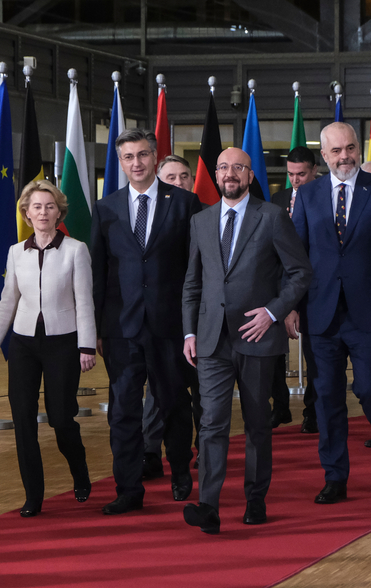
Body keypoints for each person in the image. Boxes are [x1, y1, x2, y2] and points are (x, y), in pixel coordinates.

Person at [181, 147, 311, 534]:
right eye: (223, 167)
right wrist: (189, 331)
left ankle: (256, 499)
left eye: (238, 167)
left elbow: (300, 273)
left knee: (257, 424)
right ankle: (209, 505)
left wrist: (272, 312)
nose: (230, 173)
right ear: (217, 176)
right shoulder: (201, 221)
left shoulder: (271, 217)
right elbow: (193, 282)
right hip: (211, 341)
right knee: (212, 424)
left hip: (257, 337)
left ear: (250, 176)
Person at [290, 122, 371, 505]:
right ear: (323, 156)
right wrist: (291, 305)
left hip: (370, 312)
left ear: (358, 149)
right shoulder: (307, 195)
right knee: (326, 397)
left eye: (350, 148)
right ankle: (335, 476)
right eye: (336, 151)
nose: (345, 156)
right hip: (321, 313)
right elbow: (296, 258)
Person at [91, 128, 203, 515]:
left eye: (142, 155)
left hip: (170, 326)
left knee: (173, 404)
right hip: (120, 329)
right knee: (123, 410)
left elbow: (196, 268)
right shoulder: (106, 208)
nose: (136, 163)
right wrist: (96, 331)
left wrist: (194, 324)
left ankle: (179, 472)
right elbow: (99, 273)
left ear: (156, 157)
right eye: (128, 157)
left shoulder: (187, 204)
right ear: (120, 163)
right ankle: (128, 489)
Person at [0, 180, 96, 518]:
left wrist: (86, 345)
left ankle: (79, 470)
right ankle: (33, 495)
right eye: (36, 207)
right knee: (23, 421)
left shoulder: (76, 250)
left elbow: (84, 302)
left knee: (61, 419)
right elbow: (7, 301)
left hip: (63, 342)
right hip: (23, 344)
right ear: (27, 213)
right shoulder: (17, 252)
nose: (43, 212)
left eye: (49, 206)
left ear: (59, 211)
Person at [140, 153, 203, 480]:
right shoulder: (145, 218)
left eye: (184, 176)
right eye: (171, 177)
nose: (178, 183)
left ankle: (204, 448)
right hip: (158, 320)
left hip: (197, 320)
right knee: (158, 390)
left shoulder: (207, 215)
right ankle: (150, 451)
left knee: (201, 390)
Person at [268, 144, 319, 434]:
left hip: (314, 286)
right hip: (279, 285)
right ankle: (281, 406)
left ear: (314, 171)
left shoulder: (322, 197)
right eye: (291, 174)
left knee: (314, 356)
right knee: (274, 352)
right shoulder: (279, 199)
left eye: (301, 174)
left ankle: (312, 411)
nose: (295, 180)